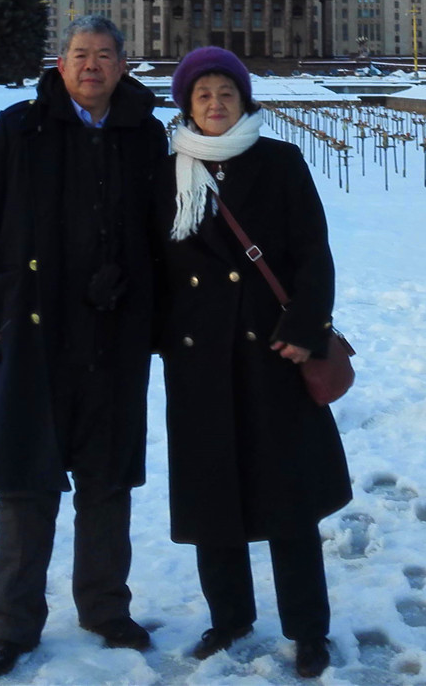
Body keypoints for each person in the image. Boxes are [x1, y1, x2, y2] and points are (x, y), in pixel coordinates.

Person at [0, 16, 170, 678]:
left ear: (124, 66)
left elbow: (165, 232)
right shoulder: (20, 127)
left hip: (114, 333)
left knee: (107, 481)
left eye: (105, 55)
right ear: (62, 62)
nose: (92, 65)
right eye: (81, 54)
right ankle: (13, 624)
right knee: (26, 481)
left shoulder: (145, 132)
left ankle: (105, 606)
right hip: (34, 331)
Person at [161, 47, 349, 680]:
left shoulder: (279, 162)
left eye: (227, 94)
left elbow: (312, 253)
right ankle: (230, 616)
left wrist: (305, 330)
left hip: (271, 352)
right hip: (200, 360)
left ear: (245, 102)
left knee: (287, 498)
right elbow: (157, 266)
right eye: (203, 95)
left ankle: (308, 627)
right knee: (215, 497)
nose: (215, 104)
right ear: (187, 104)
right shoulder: (171, 173)